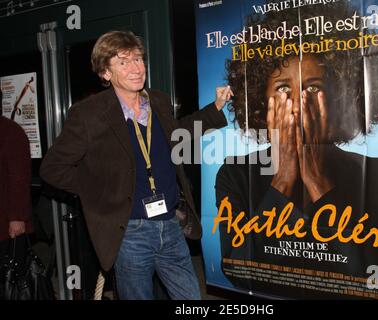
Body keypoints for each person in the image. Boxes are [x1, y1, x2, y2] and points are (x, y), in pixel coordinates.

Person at [215, 2, 378, 300]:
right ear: (258, 99)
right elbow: (238, 270)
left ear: (338, 96)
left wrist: (318, 183)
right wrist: (283, 179)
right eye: (282, 89)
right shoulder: (235, 173)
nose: (297, 103)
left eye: (313, 87)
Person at [40, 30, 232, 300]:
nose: (136, 68)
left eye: (139, 59)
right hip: (130, 231)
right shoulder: (89, 114)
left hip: (171, 222)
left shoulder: (159, 100)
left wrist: (216, 107)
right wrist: (100, 191)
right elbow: (52, 168)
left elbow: (176, 134)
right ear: (106, 72)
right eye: (124, 62)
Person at [0, 89, 34, 276]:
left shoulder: (11, 132)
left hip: (7, 226)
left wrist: (17, 217)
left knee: (11, 281)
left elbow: (19, 177)